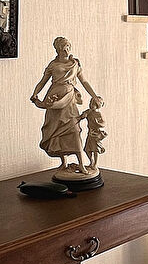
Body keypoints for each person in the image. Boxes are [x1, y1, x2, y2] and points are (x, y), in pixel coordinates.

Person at [30, 36, 104, 175]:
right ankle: (64, 163)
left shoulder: (75, 64)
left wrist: (94, 96)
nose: (66, 50)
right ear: (57, 50)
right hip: (54, 99)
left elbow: (84, 81)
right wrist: (35, 94)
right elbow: (42, 81)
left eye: (68, 47)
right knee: (56, 132)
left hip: (69, 99)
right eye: (63, 48)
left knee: (74, 130)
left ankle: (81, 164)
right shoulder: (53, 65)